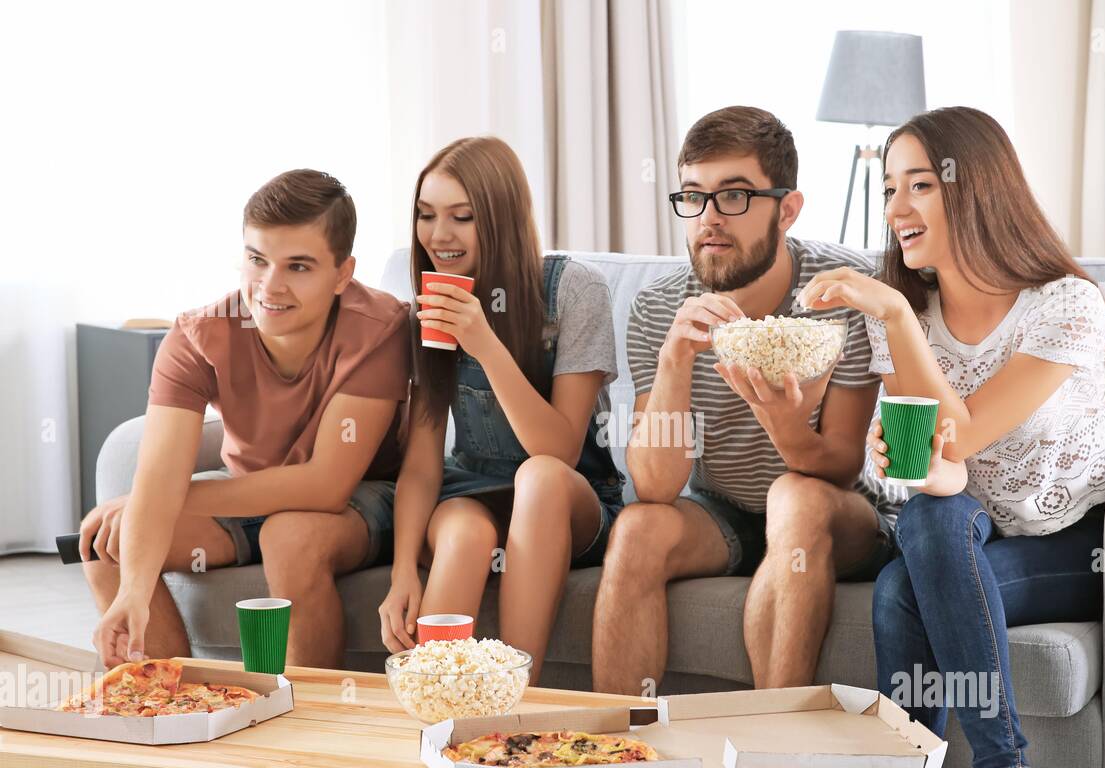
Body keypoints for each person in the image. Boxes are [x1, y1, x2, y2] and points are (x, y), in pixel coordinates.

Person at [802, 106, 1105, 768]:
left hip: (1070, 543)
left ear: (976, 189)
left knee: (898, 591)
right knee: (922, 534)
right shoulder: (905, 315)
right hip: (959, 532)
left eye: (919, 184)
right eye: (889, 188)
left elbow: (969, 432)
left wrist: (892, 316)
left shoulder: (1065, 304)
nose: (895, 210)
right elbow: (936, 466)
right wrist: (897, 463)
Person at [592, 106, 900, 695]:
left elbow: (841, 461)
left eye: (734, 197)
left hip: (839, 511)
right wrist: (674, 361)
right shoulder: (660, 309)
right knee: (635, 530)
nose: (709, 219)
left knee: (796, 497)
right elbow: (656, 487)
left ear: (787, 208)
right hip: (724, 511)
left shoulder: (841, 295)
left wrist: (785, 425)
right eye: (693, 196)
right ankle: (620, 758)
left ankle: (772, 756)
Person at [82, 169, 411, 668]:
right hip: (248, 488)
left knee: (288, 536)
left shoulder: (378, 327)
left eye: (298, 266)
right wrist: (134, 582)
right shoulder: (197, 336)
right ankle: (178, 709)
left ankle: (306, 719)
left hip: (365, 495)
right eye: (258, 260)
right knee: (107, 539)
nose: (270, 286)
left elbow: (326, 486)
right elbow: (159, 469)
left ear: (343, 274)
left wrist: (166, 496)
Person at [377, 136, 623, 678]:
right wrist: (402, 573)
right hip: (472, 487)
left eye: (462, 217)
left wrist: (484, 343)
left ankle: (517, 696)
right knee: (463, 536)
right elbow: (421, 463)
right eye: (426, 215)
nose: (439, 235)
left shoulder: (573, 291)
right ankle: (437, 715)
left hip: (569, 493)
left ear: (503, 216)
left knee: (538, 475)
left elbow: (557, 450)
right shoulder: (427, 300)